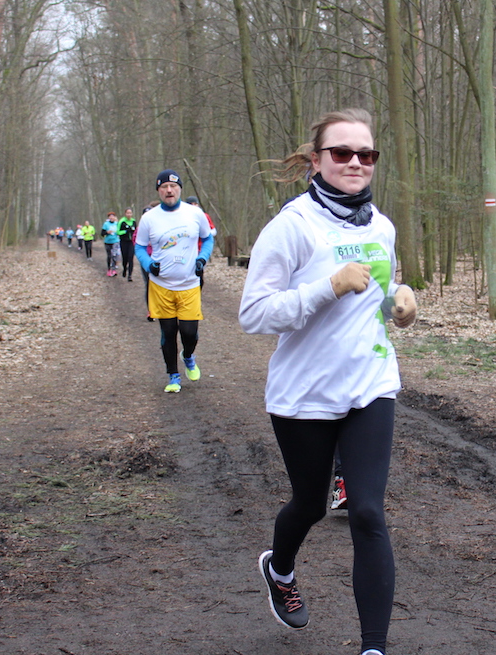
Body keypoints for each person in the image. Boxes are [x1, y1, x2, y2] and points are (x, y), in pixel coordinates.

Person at [238, 108, 417, 655]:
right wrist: (327, 287)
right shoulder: (291, 227)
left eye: (366, 154)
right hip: (304, 393)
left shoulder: (381, 226)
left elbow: (378, 297)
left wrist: (400, 304)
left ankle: (373, 648)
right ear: (316, 161)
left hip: (370, 383)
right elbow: (254, 314)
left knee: (367, 511)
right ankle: (280, 569)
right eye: (342, 153)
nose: (355, 162)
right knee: (310, 505)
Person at [135, 170, 214, 393]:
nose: (169, 190)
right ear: (158, 191)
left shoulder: (195, 213)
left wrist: (202, 258)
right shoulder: (149, 218)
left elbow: (208, 238)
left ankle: (188, 356)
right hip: (161, 285)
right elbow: (139, 247)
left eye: (173, 186)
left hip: (189, 284)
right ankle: (173, 376)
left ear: (179, 189)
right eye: (164, 187)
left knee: (189, 333)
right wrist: (148, 264)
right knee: (168, 332)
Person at [117, 208, 137, 281]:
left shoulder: (133, 221)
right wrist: (126, 231)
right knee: (125, 258)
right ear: (125, 214)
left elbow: (136, 231)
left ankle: (130, 275)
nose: (129, 214)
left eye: (130, 213)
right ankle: (125, 268)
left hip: (131, 242)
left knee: (130, 258)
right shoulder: (122, 221)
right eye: (127, 213)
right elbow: (118, 232)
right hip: (124, 242)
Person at [102, 212, 120, 276]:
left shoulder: (117, 224)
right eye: (110, 216)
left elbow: (120, 231)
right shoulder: (106, 224)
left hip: (115, 241)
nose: (111, 217)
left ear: (114, 217)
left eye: (112, 216)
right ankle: (109, 270)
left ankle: (114, 270)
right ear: (108, 217)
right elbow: (102, 233)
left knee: (114, 255)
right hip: (107, 242)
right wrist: (107, 232)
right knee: (109, 256)